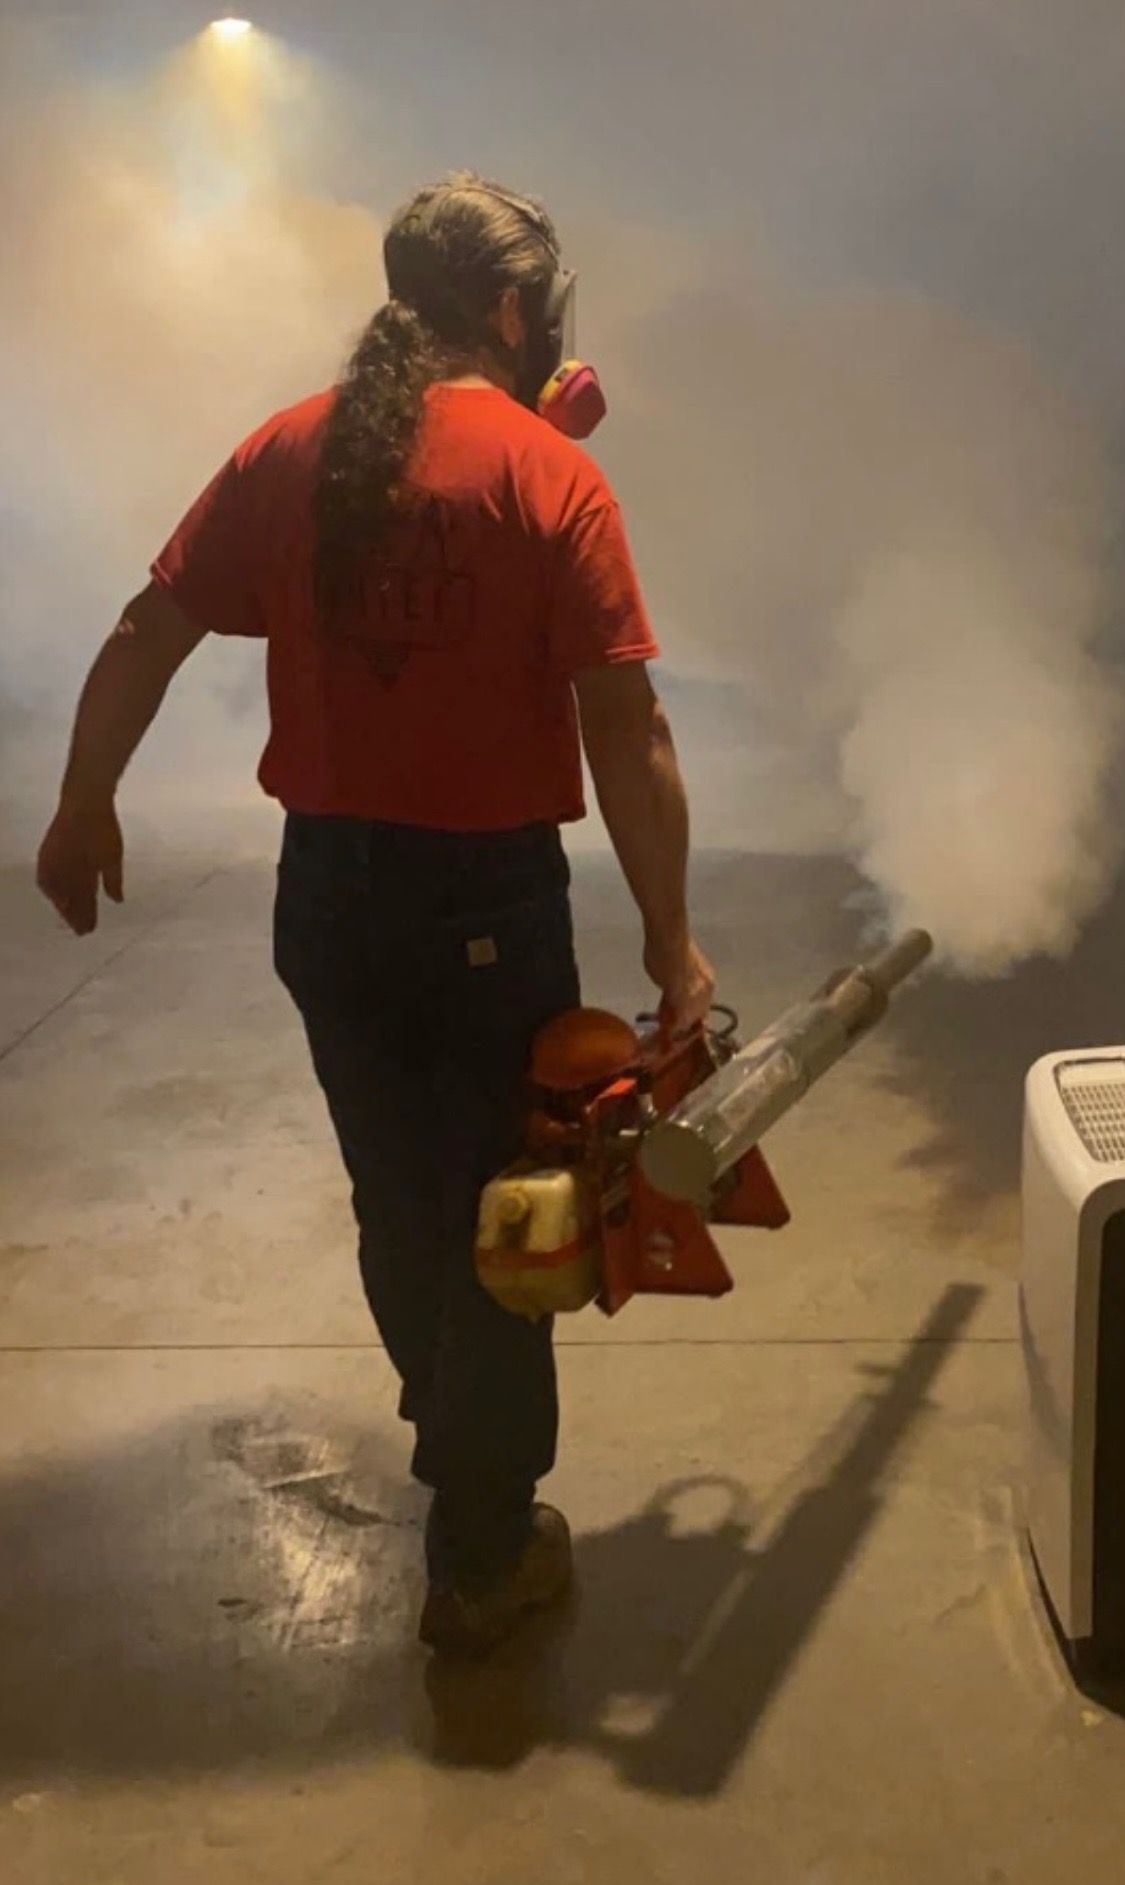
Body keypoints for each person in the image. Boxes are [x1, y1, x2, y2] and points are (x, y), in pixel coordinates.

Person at [36, 171, 716, 1656]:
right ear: (516, 310)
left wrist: (84, 802)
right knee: (511, 1219)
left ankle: (454, 1433)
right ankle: (479, 1546)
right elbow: (625, 723)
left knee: (401, 1194)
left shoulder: (293, 446)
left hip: (327, 897)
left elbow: (147, 627)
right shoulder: (546, 473)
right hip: (485, 903)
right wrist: (669, 937)